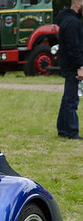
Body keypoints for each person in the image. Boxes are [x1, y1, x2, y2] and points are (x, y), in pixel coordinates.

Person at [55, 0, 83, 140]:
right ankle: (71, 131)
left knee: (67, 99)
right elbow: (74, 48)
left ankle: (62, 129)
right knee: (71, 100)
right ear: (78, 4)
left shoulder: (66, 20)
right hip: (73, 66)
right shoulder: (73, 23)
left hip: (67, 64)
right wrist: (80, 67)